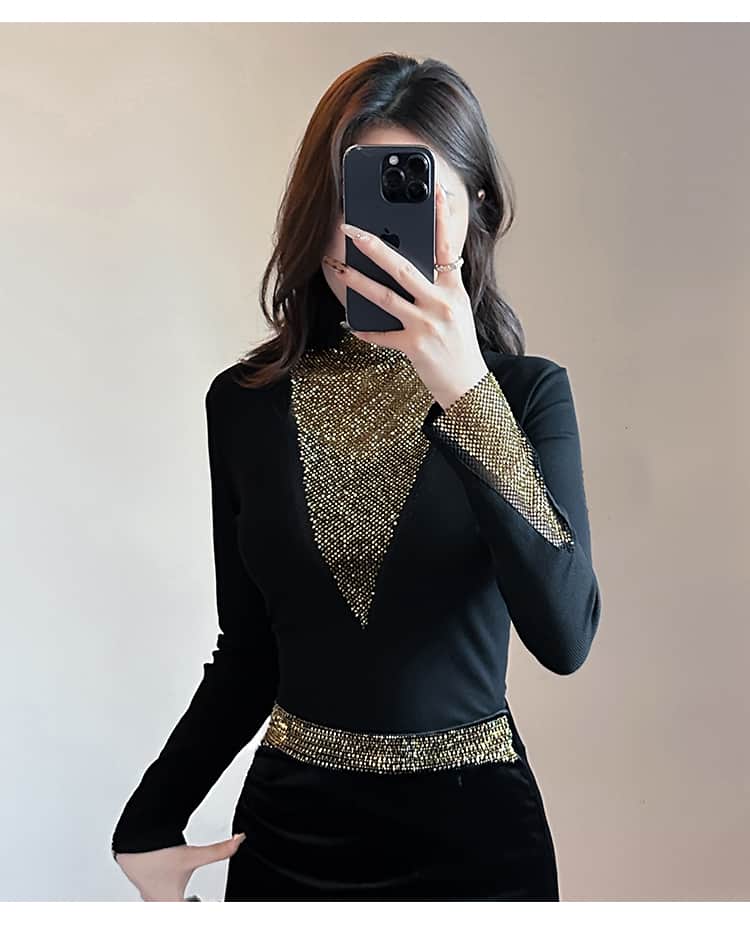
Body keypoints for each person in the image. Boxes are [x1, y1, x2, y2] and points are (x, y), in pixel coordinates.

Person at [111, 52, 602, 902]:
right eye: (353, 202)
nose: (370, 238)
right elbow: (250, 653)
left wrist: (465, 389)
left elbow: (566, 636)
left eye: (411, 198)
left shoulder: (526, 396)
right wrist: (149, 822)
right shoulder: (245, 403)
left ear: (477, 208)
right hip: (290, 842)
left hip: (481, 847)